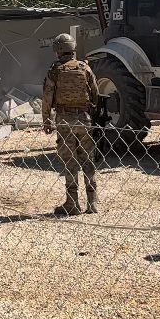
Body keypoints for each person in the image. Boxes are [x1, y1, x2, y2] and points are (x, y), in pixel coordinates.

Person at [42, 34, 100, 216]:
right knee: (88, 160)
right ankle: (92, 202)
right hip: (84, 119)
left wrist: (46, 119)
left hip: (64, 120)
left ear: (58, 50)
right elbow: (95, 93)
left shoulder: (55, 70)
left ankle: (72, 203)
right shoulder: (85, 68)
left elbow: (47, 97)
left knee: (70, 162)